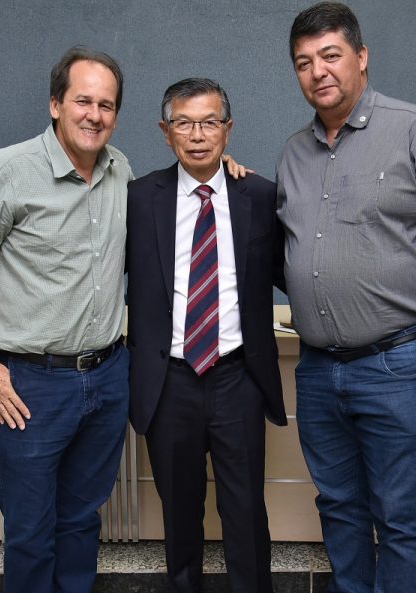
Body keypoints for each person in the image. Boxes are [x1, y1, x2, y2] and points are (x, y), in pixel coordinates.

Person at [276, 3, 416, 592]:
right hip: (318, 371)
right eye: (304, 62)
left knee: (398, 514)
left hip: (398, 366)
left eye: (330, 55)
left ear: (361, 56)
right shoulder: (294, 153)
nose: (318, 71)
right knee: (339, 507)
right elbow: (289, 248)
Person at [0, 47, 133, 593]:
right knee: (30, 529)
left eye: (106, 105)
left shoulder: (120, 170)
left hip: (107, 376)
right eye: (82, 101)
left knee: (81, 519)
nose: (94, 115)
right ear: (56, 104)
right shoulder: (8, 170)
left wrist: (224, 169)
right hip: (33, 384)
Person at [126, 78, 286, 593]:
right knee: (179, 511)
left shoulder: (258, 195)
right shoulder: (137, 198)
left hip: (237, 377)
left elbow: (294, 269)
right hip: (168, 381)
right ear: (165, 131)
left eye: (209, 122)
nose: (197, 135)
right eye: (184, 123)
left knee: (245, 508)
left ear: (227, 129)